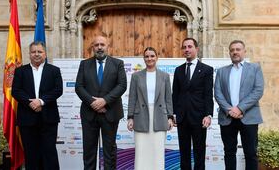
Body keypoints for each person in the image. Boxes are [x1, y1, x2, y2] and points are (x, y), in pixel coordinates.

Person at [75, 35, 127, 170]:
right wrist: (93, 103)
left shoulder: (118, 64)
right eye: (96, 45)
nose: (99, 47)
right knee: (89, 151)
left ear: (107, 46)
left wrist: (104, 101)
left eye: (102, 44)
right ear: (92, 47)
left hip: (110, 113)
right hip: (89, 114)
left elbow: (122, 86)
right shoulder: (84, 64)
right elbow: (79, 87)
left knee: (109, 152)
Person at [12, 41, 63, 170]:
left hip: (49, 118)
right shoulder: (20, 71)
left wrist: (40, 101)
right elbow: (16, 91)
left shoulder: (54, 71)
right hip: (27, 119)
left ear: (45, 54)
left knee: (49, 152)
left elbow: (58, 90)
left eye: (39, 52)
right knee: (31, 153)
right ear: (29, 54)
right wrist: (31, 103)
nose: (36, 54)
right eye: (33, 52)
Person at [214, 40, 264, 170]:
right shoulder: (221, 71)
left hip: (249, 117)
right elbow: (218, 93)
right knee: (229, 152)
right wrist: (230, 109)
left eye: (238, 49)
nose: (235, 52)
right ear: (229, 53)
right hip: (227, 117)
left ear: (244, 51)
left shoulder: (255, 68)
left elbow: (258, 90)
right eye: (232, 50)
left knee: (251, 153)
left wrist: (240, 108)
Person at [127, 47, 174, 169]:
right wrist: (130, 118)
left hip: (160, 116)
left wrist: (170, 117)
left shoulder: (164, 76)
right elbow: (132, 98)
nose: (149, 58)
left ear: (157, 57)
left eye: (152, 56)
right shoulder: (136, 76)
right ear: (144, 59)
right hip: (141, 116)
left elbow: (168, 98)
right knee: (141, 151)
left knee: (157, 151)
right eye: (147, 56)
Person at [172, 37, 214, 170]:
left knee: (199, 152)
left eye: (189, 47)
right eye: (184, 47)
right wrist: (173, 114)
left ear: (196, 49)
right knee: (184, 153)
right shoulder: (178, 70)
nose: (187, 50)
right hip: (182, 118)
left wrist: (208, 115)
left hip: (199, 117)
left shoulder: (207, 69)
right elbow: (175, 94)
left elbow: (208, 94)